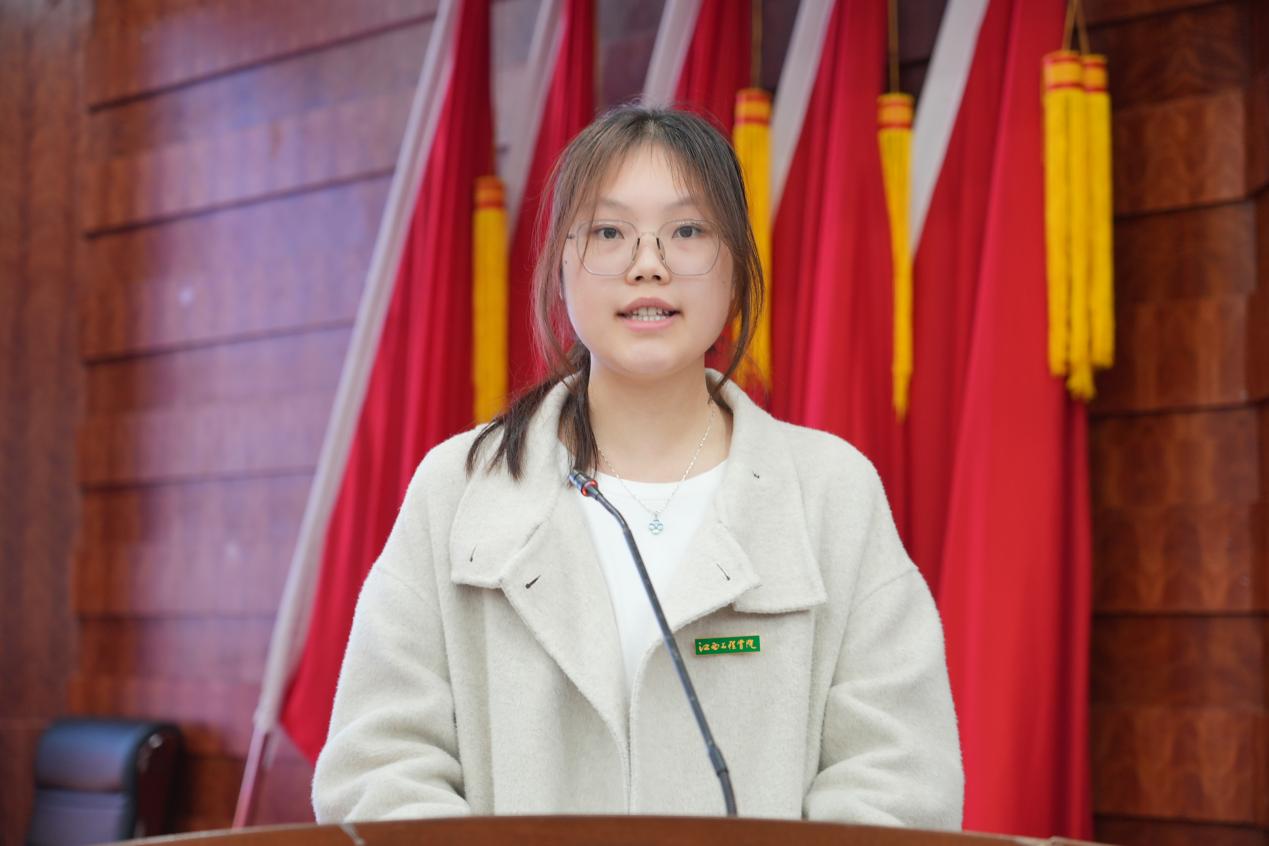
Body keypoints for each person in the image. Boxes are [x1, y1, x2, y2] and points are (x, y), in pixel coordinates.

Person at [311, 105, 963, 826]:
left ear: (737, 267)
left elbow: (898, 775)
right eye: (608, 232)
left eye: (687, 231)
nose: (647, 264)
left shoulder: (833, 493)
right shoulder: (457, 488)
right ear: (561, 266)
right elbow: (379, 766)